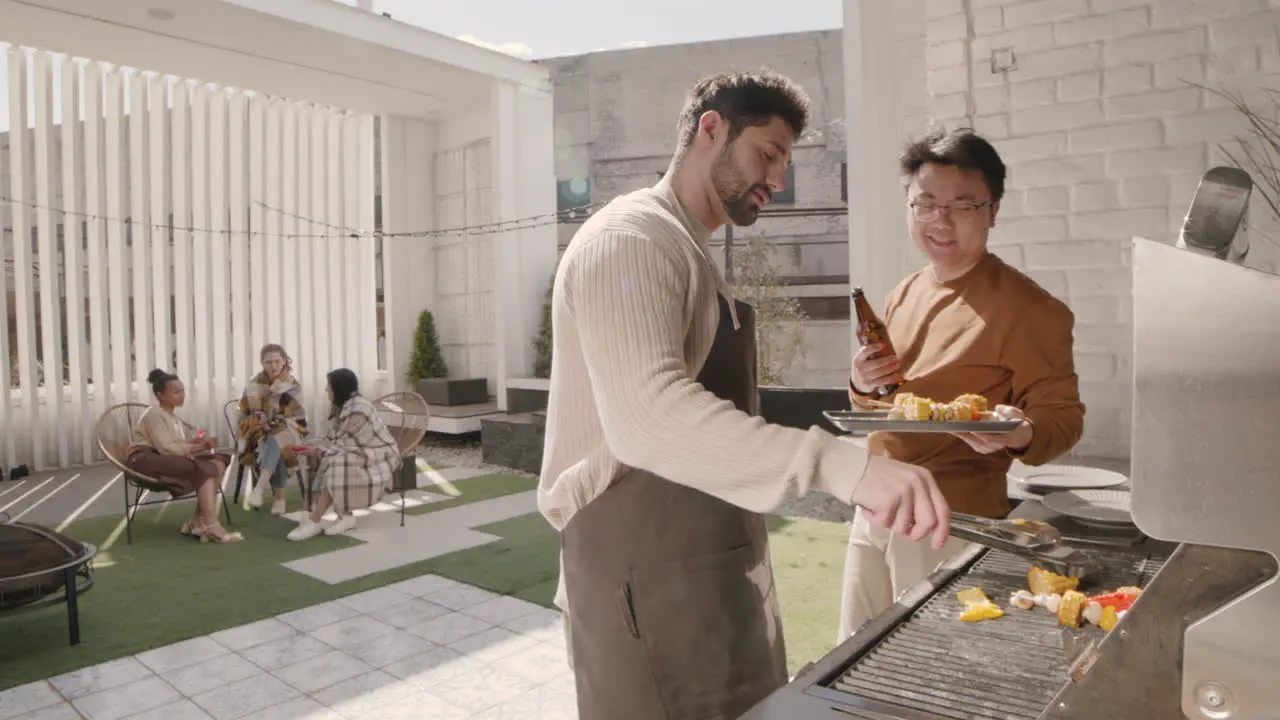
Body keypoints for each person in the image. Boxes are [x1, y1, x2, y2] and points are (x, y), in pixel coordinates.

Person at [537, 69, 951, 720]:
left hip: (716, 576)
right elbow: (646, 417)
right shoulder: (631, 239)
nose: (778, 180)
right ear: (711, 129)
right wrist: (844, 465)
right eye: (768, 153)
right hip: (645, 584)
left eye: (785, 160)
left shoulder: (692, 252)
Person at [837, 129, 1086, 640]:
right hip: (875, 507)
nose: (940, 220)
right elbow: (885, 400)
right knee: (851, 664)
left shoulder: (1031, 310)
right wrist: (861, 382)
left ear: (992, 211)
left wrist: (1015, 432)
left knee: (927, 675)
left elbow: (1062, 418)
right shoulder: (904, 292)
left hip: (949, 523)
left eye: (962, 205)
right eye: (925, 203)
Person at [128, 368, 241, 544]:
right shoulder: (154, 414)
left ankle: (197, 522)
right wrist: (199, 446)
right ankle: (211, 525)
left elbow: (177, 445)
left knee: (218, 461)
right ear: (160, 395)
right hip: (145, 460)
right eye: (176, 392)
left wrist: (196, 443)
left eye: (182, 391)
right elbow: (166, 448)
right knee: (207, 467)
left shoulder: (173, 417)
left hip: (163, 458)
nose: (182, 395)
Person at [287, 368, 399, 541]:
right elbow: (334, 436)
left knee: (337, 462)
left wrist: (318, 450)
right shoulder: (344, 405)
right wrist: (311, 446)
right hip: (358, 450)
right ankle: (345, 516)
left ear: (339, 389)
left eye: (329, 387)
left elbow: (345, 442)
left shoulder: (358, 409)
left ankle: (314, 520)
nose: (326, 390)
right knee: (332, 458)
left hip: (379, 452)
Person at [237, 343, 309, 516]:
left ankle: (260, 487)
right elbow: (244, 413)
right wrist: (259, 420)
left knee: (278, 433)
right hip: (257, 431)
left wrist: (274, 420)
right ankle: (279, 498)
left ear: (284, 361)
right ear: (262, 363)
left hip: (290, 428)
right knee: (275, 437)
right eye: (268, 362)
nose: (273, 366)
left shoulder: (292, 385)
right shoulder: (253, 384)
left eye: (277, 361)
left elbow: (297, 416)